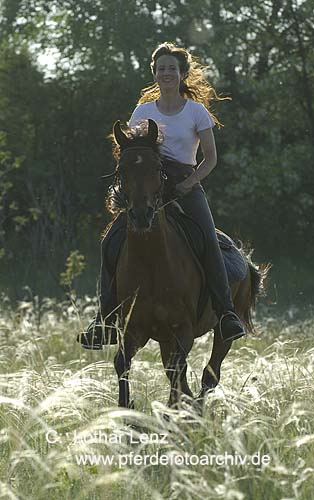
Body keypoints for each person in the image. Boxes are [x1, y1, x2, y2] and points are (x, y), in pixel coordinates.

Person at [79, 41, 244, 349]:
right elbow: (131, 151)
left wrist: (189, 183)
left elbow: (210, 158)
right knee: (110, 241)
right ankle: (104, 320)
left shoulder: (196, 111)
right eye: (161, 68)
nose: (166, 73)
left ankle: (225, 313)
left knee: (207, 239)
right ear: (154, 73)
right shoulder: (142, 110)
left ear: (182, 74)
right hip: (146, 185)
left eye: (172, 68)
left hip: (184, 184)